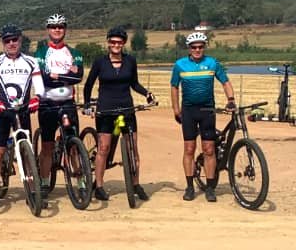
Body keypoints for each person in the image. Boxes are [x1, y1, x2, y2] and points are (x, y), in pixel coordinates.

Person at [83, 27, 156, 202]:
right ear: (108, 43)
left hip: (126, 109)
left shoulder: (130, 61)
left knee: (132, 148)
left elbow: (135, 84)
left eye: (120, 42)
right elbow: (88, 85)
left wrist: (147, 94)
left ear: (124, 44)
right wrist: (87, 105)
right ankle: (99, 186)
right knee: (104, 149)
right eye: (113, 42)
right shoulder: (100, 62)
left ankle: (136, 184)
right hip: (105, 110)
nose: (116, 45)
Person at [0, 24, 45, 207]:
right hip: (4, 111)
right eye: (7, 40)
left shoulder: (31, 61)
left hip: (24, 110)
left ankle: (33, 191)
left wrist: (37, 98)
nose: (11, 43)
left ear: (20, 40)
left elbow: (39, 85)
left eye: (14, 40)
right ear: (3, 43)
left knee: (28, 154)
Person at [170, 31, 235, 202]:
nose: (197, 50)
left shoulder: (212, 63)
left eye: (200, 47)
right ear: (189, 48)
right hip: (189, 111)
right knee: (189, 149)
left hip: (207, 111)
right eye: (194, 47)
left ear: (204, 47)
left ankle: (210, 188)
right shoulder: (180, 65)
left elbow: (225, 82)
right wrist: (176, 109)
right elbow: (174, 87)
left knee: (209, 150)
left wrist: (231, 99)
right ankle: (190, 187)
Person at [32, 13, 84, 193]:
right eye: (53, 27)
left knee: (73, 145)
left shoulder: (74, 53)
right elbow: (43, 78)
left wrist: (56, 75)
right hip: (47, 104)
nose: (57, 30)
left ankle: (80, 181)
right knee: (47, 146)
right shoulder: (40, 53)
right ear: (48, 30)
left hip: (68, 103)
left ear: (65, 29)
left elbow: (78, 77)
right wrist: (65, 76)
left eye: (60, 26)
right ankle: (45, 181)